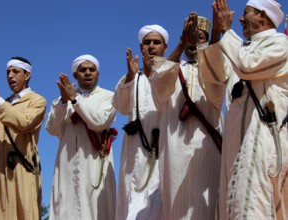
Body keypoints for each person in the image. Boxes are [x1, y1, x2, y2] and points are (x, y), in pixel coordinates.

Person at [197, 0, 288, 218]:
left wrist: (227, 31)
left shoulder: (280, 44)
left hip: (263, 146)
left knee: (253, 209)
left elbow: (248, 65)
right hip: (234, 151)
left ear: (262, 17)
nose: (239, 18)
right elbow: (214, 77)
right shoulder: (238, 48)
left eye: (246, 12)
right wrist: (217, 34)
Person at [150, 14, 222, 220]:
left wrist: (216, 35)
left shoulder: (215, 67)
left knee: (210, 205)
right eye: (190, 36)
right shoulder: (174, 67)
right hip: (174, 147)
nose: (194, 42)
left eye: (199, 37)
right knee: (176, 206)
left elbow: (218, 89)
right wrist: (181, 44)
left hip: (207, 146)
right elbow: (159, 88)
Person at [45, 54, 116, 220]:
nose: (88, 73)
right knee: (65, 209)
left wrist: (75, 99)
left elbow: (99, 121)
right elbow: (51, 129)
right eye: (83, 70)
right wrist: (63, 102)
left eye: (92, 70)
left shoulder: (108, 96)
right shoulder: (63, 100)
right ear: (75, 75)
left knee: (96, 210)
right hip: (67, 166)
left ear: (98, 74)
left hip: (95, 166)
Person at [0, 57, 46, 220]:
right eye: (8, 72)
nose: (10, 76)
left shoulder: (37, 101)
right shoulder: (4, 103)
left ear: (27, 75)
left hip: (22, 167)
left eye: (15, 71)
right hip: (0, 170)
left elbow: (24, 123)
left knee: (23, 210)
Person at [113, 24, 168, 220]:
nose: (152, 46)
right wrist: (129, 76)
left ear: (165, 48)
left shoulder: (173, 76)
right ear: (140, 47)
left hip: (163, 155)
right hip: (134, 156)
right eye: (147, 42)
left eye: (156, 42)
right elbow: (119, 106)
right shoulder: (132, 78)